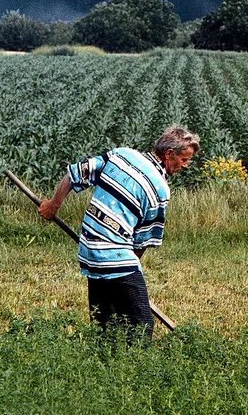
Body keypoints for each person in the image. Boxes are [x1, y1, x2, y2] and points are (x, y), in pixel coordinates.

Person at [38, 124, 200, 340]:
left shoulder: (121, 155)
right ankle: (136, 369)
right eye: (184, 159)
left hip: (88, 252)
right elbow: (141, 243)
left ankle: (103, 360)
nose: (186, 165)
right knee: (142, 323)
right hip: (114, 255)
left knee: (103, 319)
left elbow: (75, 174)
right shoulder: (161, 189)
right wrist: (131, 275)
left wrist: (53, 206)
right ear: (169, 154)